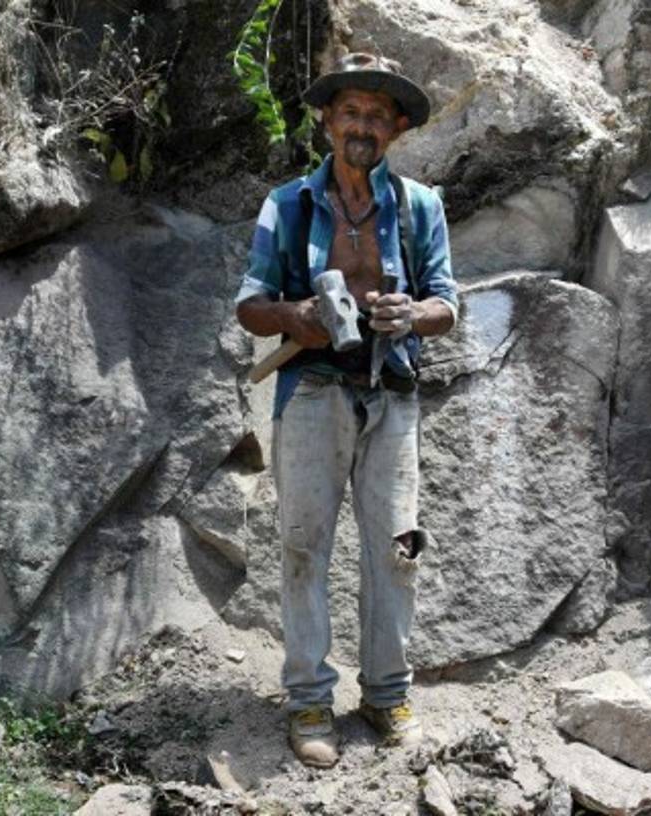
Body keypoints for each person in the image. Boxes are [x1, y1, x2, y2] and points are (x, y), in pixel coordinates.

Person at [234, 52, 458, 768]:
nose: (363, 126)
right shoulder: (288, 204)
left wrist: (410, 312)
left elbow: (447, 306)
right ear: (328, 121)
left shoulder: (420, 206)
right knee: (304, 545)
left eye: (377, 115)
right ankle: (307, 699)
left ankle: (386, 695)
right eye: (351, 112)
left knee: (396, 551)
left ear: (395, 128)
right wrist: (294, 314)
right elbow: (249, 305)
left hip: (390, 394)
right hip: (311, 394)